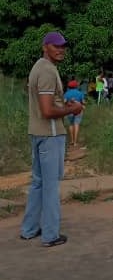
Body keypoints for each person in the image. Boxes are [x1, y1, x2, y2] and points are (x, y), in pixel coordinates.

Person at [20, 31, 83, 247]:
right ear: (45, 46)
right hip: (50, 134)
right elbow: (47, 110)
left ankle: (29, 229)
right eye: (56, 46)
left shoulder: (38, 67)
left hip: (37, 132)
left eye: (63, 45)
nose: (61, 49)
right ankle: (50, 235)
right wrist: (71, 109)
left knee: (38, 182)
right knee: (50, 185)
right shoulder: (47, 71)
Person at [63, 79, 85, 146]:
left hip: (69, 110)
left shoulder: (66, 93)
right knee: (76, 124)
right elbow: (83, 102)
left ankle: (72, 140)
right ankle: (75, 142)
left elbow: (64, 101)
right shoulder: (80, 93)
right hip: (78, 110)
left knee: (70, 124)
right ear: (76, 86)